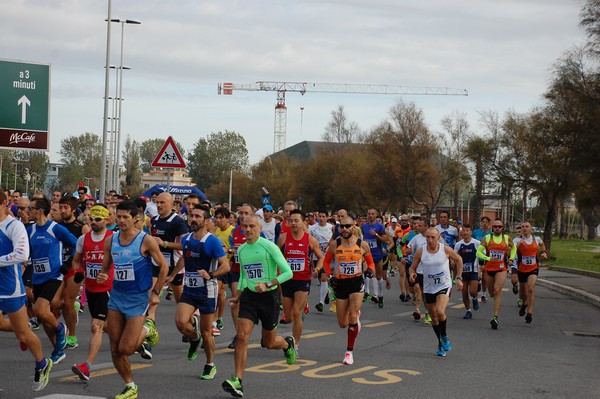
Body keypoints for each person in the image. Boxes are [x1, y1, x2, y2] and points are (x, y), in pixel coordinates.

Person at [96, 200, 168, 399]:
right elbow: (105, 269)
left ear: (136, 218)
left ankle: (148, 329)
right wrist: (102, 276)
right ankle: (130, 386)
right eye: (118, 217)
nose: (120, 221)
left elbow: (163, 266)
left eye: (125, 217)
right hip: (117, 297)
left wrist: (156, 292)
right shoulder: (111, 240)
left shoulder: (145, 240)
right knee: (114, 347)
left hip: (137, 298)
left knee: (126, 348)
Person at [222, 215, 295, 398]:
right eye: (244, 226)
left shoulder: (268, 246)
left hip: (268, 297)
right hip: (249, 297)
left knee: (268, 343)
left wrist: (268, 284)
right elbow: (244, 277)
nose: (247, 230)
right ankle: (237, 380)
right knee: (242, 336)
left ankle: (286, 344)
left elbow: (288, 272)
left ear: (259, 227)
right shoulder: (242, 250)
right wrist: (237, 296)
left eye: (252, 226)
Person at [168, 205, 229, 379]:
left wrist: (210, 274)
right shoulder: (187, 239)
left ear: (205, 220)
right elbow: (183, 256)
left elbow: (225, 266)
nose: (193, 219)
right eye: (191, 216)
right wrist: (173, 275)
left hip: (207, 292)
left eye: (197, 216)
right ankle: (194, 339)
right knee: (180, 322)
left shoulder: (212, 241)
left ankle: (210, 365)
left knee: (207, 332)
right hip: (189, 290)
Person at [0, 191, 53, 391]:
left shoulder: (14, 226)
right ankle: (21, 327)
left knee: (23, 335)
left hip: (11, 288)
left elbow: (22, 254)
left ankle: (42, 363)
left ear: (5, 204)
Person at [27, 198, 78, 364]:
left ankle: (60, 328)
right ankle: (58, 349)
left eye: (31, 208)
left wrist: (68, 265)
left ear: (40, 210)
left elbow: (78, 245)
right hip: (37, 277)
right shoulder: (30, 230)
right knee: (43, 317)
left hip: (54, 276)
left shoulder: (56, 228)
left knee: (41, 310)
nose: (28, 211)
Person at [322, 216, 374, 365]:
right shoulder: (335, 244)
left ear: (353, 227)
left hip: (356, 282)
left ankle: (349, 353)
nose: (344, 229)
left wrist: (370, 270)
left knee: (351, 316)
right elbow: (326, 262)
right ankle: (355, 317)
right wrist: (330, 275)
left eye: (347, 226)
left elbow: (370, 263)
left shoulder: (362, 245)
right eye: (342, 227)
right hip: (341, 284)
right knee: (342, 323)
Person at [70, 205, 114, 381]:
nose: (94, 222)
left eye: (98, 219)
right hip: (91, 289)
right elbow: (75, 261)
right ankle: (137, 341)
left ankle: (86, 367)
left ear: (107, 220)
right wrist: (79, 272)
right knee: (108, 328)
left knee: (96, 326)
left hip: (109, 289)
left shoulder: (114, 238)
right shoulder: (83, 239)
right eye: (92, 219)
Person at [409, 228, 463, 356]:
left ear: (438, 238)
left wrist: (459, 278)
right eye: (428, 237)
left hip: (444, 285)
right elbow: (412, 267)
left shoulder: (445, 249)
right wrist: (412, 274)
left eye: (433, 237)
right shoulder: (421, 251)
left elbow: (459, 260)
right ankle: (439, 342)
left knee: (440, 311)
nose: (430, 240)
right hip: (429, 287)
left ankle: (444, 336)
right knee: (433, 317)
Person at [277, 210, 324, 356]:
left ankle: (295, 345)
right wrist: (278, 269)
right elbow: (276, 256)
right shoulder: (283, 238)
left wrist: (317, 268)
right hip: (286, 280)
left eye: (296, 220)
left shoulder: (310, 240)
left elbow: (321, 257)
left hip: (303, 280)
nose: (293, 223)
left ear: (304, 223)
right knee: (288, 316)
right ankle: (302, 307)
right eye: (291, 220)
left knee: (297, 313)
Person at [149, 193, 189, 327]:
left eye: (162, 203)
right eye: (157, 202)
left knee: (181, 304)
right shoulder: (154, 220)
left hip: (175, 267)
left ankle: (190, 326)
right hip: (157, 266)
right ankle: (148, 334)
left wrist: (165, 244)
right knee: (151, 301)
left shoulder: (178, 222)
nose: (159, 205)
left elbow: (187, 245)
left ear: (171, 205)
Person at [58, 195, 91, 350]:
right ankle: (63, 327)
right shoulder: (56, 226)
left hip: (74, 268)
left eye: (65, 208)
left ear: (73, 209)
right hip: (58, 268)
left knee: (67, 302)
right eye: (60, 207)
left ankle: (71, 335)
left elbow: (88, 248)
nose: (62, 211)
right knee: (56, 303)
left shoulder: (81, 227)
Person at [476, 219, 516, 329]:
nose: (497, 228)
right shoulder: (487, 238)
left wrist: (511, 258)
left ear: (502, 228)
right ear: (492, 228)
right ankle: (492, 300)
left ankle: (495, 317)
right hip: (489, 269)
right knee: (492, 293)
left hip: (501, 268)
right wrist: (488, 258)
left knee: (497, 291)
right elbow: (478, 252)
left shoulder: (507, 238)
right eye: (495, 226)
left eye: (499, 226)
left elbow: (514, 247)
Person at [511, 221, 548, 323]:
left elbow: (542, 244)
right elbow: (511, 250)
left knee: (530, 288)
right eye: (523, 227)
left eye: (527, 226)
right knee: (523, 292)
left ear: (531, 228)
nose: (524, 228)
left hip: (533, 268)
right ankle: (524, 304)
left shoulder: (536, 239)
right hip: (522, 269)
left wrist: (544, 252)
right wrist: (515, 248)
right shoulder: (517, 240)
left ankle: (530, 313)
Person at [361, 208, 387, 307]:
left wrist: (376, 234)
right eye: (369, 214)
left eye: (372, 214)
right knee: (367, 272)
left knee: (379, 276)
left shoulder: (380, 226)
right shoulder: (364, 227)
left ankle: (381, 295)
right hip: (368, 254)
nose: (370, 215)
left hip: (378, 254)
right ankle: (367, 292)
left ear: (376, 215)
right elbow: (364, 239)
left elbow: (385, 240)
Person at [453, 224, 481, 319]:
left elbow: (482, 257)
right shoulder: (458, 244)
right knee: (464, 292)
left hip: (474, 271)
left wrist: (481, 271)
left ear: (471, 232)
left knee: (473, 291)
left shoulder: (477, 243)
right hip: (462, 272)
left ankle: (475, 297)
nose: (465, 232)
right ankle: (468, 310)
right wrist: (453, 262)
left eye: (467, 230)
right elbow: (454, 256)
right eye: (463, 230)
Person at [309, 210, 333, 312]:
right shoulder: (312, 228)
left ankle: (321, 303)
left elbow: (334, 239)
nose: (322, 218)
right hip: (316, 257)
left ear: (327, 217)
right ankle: (325, 292)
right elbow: (309, 241)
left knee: (324, 277)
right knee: (320, 278)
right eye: (320, 216)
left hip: (327, 257)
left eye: (324, 216)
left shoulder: (331, 228)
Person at [472, 216, 492, 303]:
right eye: (483, 222)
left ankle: (483, 294)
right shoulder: (476, 232)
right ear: (481, 223)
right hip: (476, 257)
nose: (484, 224)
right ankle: (478, 284)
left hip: (486, 257)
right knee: (477, 276)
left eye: (486, 222)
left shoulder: (491, 234)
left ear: (489, 224)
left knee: (484, 277)